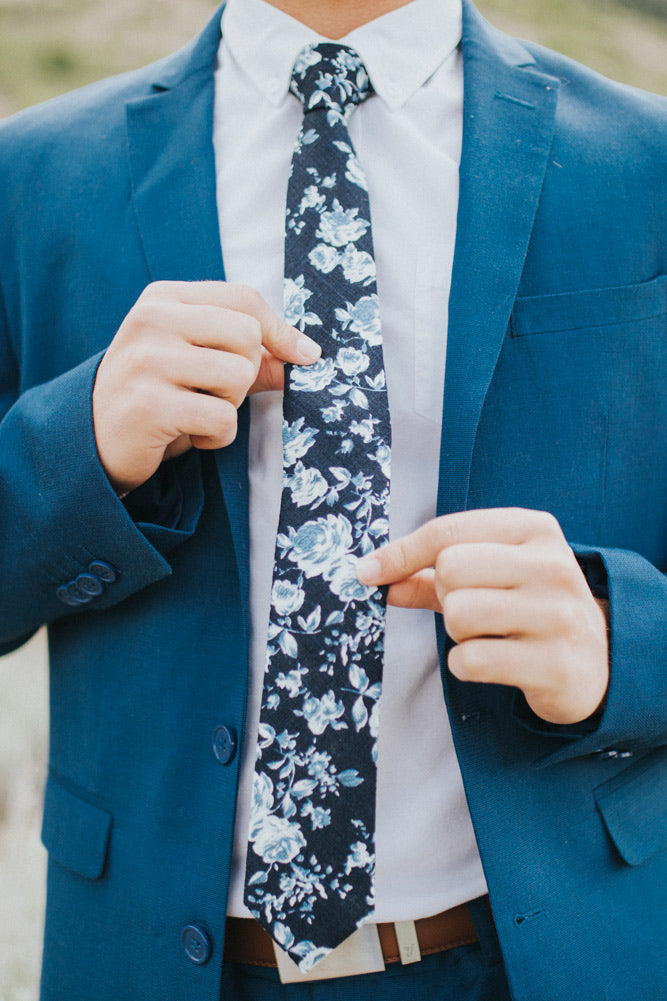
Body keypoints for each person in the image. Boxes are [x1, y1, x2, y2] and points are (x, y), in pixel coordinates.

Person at [0, 0, 665, 998]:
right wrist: (75, 445)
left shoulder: (645, 167)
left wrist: (629, 645)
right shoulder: (37, 175)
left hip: (546, 953)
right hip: (150, 959)